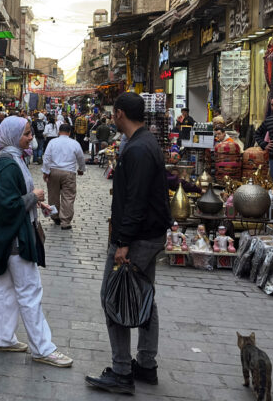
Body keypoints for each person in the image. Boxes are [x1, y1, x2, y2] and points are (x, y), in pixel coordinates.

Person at [86, 93, 170, 395]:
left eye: (113, 114)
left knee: (114, 296)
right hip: (147, 235)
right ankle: (146, 364)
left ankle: (122, 371)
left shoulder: (138, 149)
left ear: (120, 114)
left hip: (136, 238)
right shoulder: (145, 143)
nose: (111, 118)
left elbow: (135, 201)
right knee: (144, 294)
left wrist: (122, 242)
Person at [0, 116, 73, 369]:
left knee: (6, 287)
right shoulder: (9, 164)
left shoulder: (12, 159)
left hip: (10, 235)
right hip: (15, 238)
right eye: (25, 133)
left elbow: (11, 198)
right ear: (12, 136)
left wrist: (36, 202)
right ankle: (43, 348)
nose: (30, 137)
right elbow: (7, 206)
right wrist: (32, 197)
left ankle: (1, 338)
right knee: (30, 290)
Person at [42, 124, 86, 230]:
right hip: (69, 172)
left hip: (54, 172)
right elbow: (81, 157)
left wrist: (46, 171)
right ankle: (65, 222)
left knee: (53, 195)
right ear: (70, 132)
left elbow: (47, 157)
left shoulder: (52, 142)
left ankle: (55, 217)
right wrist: (81, 169)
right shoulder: (75, 143)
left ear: (58, 131)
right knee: (68, 196)